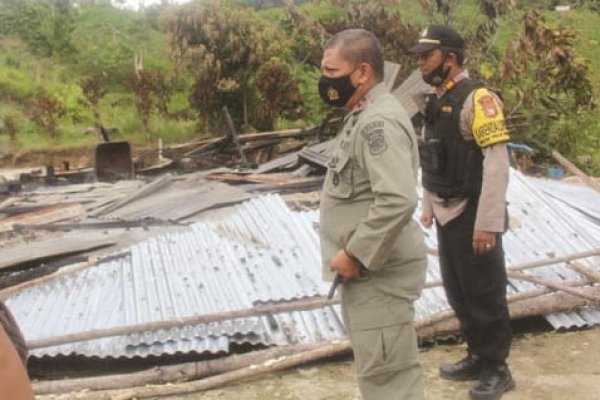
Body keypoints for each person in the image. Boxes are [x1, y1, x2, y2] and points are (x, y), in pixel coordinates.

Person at [318, 29, 427, 400]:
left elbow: (398, 198)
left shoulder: (378, 122)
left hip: (377, 272)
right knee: (379, 375)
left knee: (390, 382)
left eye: (332, 72)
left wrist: (354, 253)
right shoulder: (361, 116)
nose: (325, 81)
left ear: (362, 73)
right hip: (369, 275)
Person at [409, 25, 515, 400]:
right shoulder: (436, 100)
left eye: (427, 56)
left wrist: (488, 224)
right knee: (459, 291)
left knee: (485, 293)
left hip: (473, 214)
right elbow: (432, 155)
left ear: (450, 58)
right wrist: (427, 203)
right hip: (446, 211)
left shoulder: (479, 99)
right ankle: (476, 355)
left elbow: (497, 165)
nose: (420, 62)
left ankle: (497, 368)